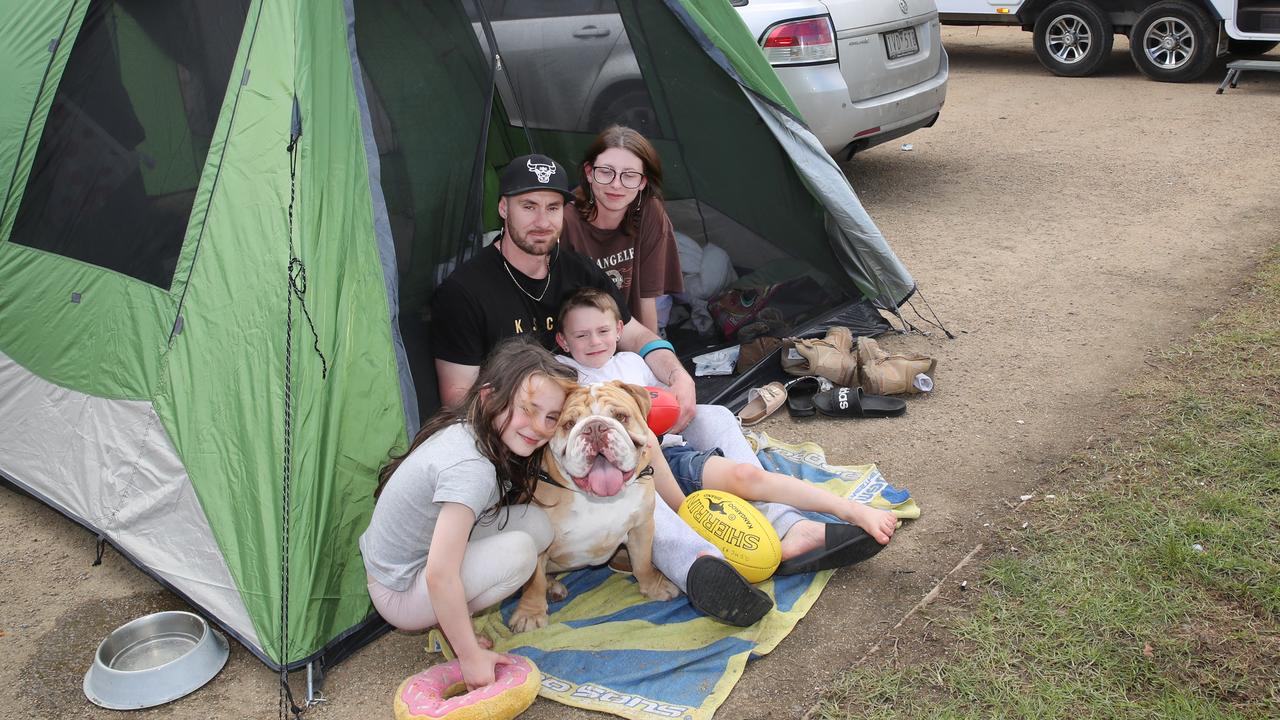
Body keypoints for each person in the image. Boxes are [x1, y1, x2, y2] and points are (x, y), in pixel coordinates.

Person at [554, 288, 897, 565]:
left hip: (672, 455)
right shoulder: (563, 372)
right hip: (620, 473)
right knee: (665, 485)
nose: (594, 341)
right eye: (581, 335)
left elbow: (666, 407)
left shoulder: (631, 362)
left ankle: (838, 513)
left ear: (618, 330)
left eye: (602, 331)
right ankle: (709, 554)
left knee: (745, 477)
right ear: (564, 342)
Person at [360, 339, 574, 691]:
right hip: (397, 591)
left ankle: (450, 622)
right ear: (489, 398)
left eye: (551, 417)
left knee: (537, 525)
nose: (538, 427)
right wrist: (470, 655)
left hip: (411, 563)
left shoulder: (475, 431)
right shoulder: (471, 468)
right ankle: (453, 629)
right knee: (519, 552)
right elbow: (440, 575)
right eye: (528, 409)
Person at [431, 153, 695, 431]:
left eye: (553, 208)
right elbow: (457, 401)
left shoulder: (578, 270)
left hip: (599, 414)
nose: (543, 222)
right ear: (503, 208)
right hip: (522, 431)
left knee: (714, 420)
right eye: (529, 206)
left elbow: (634, 334)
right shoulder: (462, 292)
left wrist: (678, 376)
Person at [561, 125, 682, 334]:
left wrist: (650, 353)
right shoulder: (565, 220)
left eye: (629, 175)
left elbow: (647, 299)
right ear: (589, 173)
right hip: (581, 340)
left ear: (642, 182)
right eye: (606, 172)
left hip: (630, 333)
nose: (616, 184)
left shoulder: (649, 211)